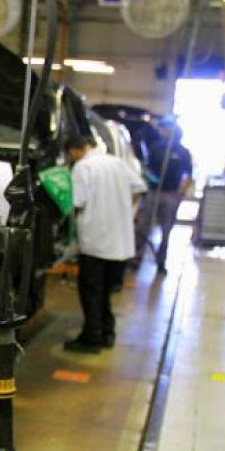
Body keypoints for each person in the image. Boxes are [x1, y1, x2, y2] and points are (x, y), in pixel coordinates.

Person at [64, 134, 137, 353]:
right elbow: (139, 187)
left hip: (95, 240)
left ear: (76, 150)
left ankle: (91, 338)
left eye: (70, 155)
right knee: (105, 290)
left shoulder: (83, 167)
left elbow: (77, 201)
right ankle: (107, 333)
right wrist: (125, 211)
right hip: (119, 240)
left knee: (90, 290)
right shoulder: (117, 163)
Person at [148, 121, 194, 273]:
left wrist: (181, 191)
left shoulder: (183, 152)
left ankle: (161, 261)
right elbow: (147, 167)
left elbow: (188, 174)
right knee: (144, 226)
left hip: (171, 194)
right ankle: (135, 261)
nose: (164, 133)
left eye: (167, 130)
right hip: (154, 192)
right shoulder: (156, 148)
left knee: (166, 230)